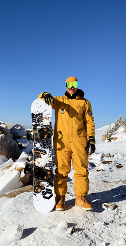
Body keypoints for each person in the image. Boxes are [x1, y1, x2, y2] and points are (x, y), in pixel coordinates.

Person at [38, 76, 95, 211]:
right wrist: (44, 94)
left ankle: (80, 198)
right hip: (61, 141)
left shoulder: (85, 103)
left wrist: (91, 138)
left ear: (77, 85)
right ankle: (60, 197)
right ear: (65, 86)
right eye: (69, 84)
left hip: (79, 140)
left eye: (74, 84)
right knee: (61, 170)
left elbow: (90, 122)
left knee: (81, 169)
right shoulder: (58, 101)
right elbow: (40, 100)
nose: (72, 87)